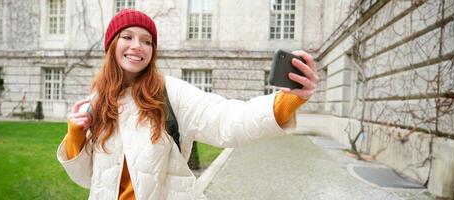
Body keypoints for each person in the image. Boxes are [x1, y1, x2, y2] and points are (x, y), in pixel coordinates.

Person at [56, 9, 318, 200]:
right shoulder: (97, 102)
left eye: (147, 41)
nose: (138, 46)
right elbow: (88, 179)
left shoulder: (170, 92)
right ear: (112, 44)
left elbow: (227, 121)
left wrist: (288, 100)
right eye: (127, 37)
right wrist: (75, 134)